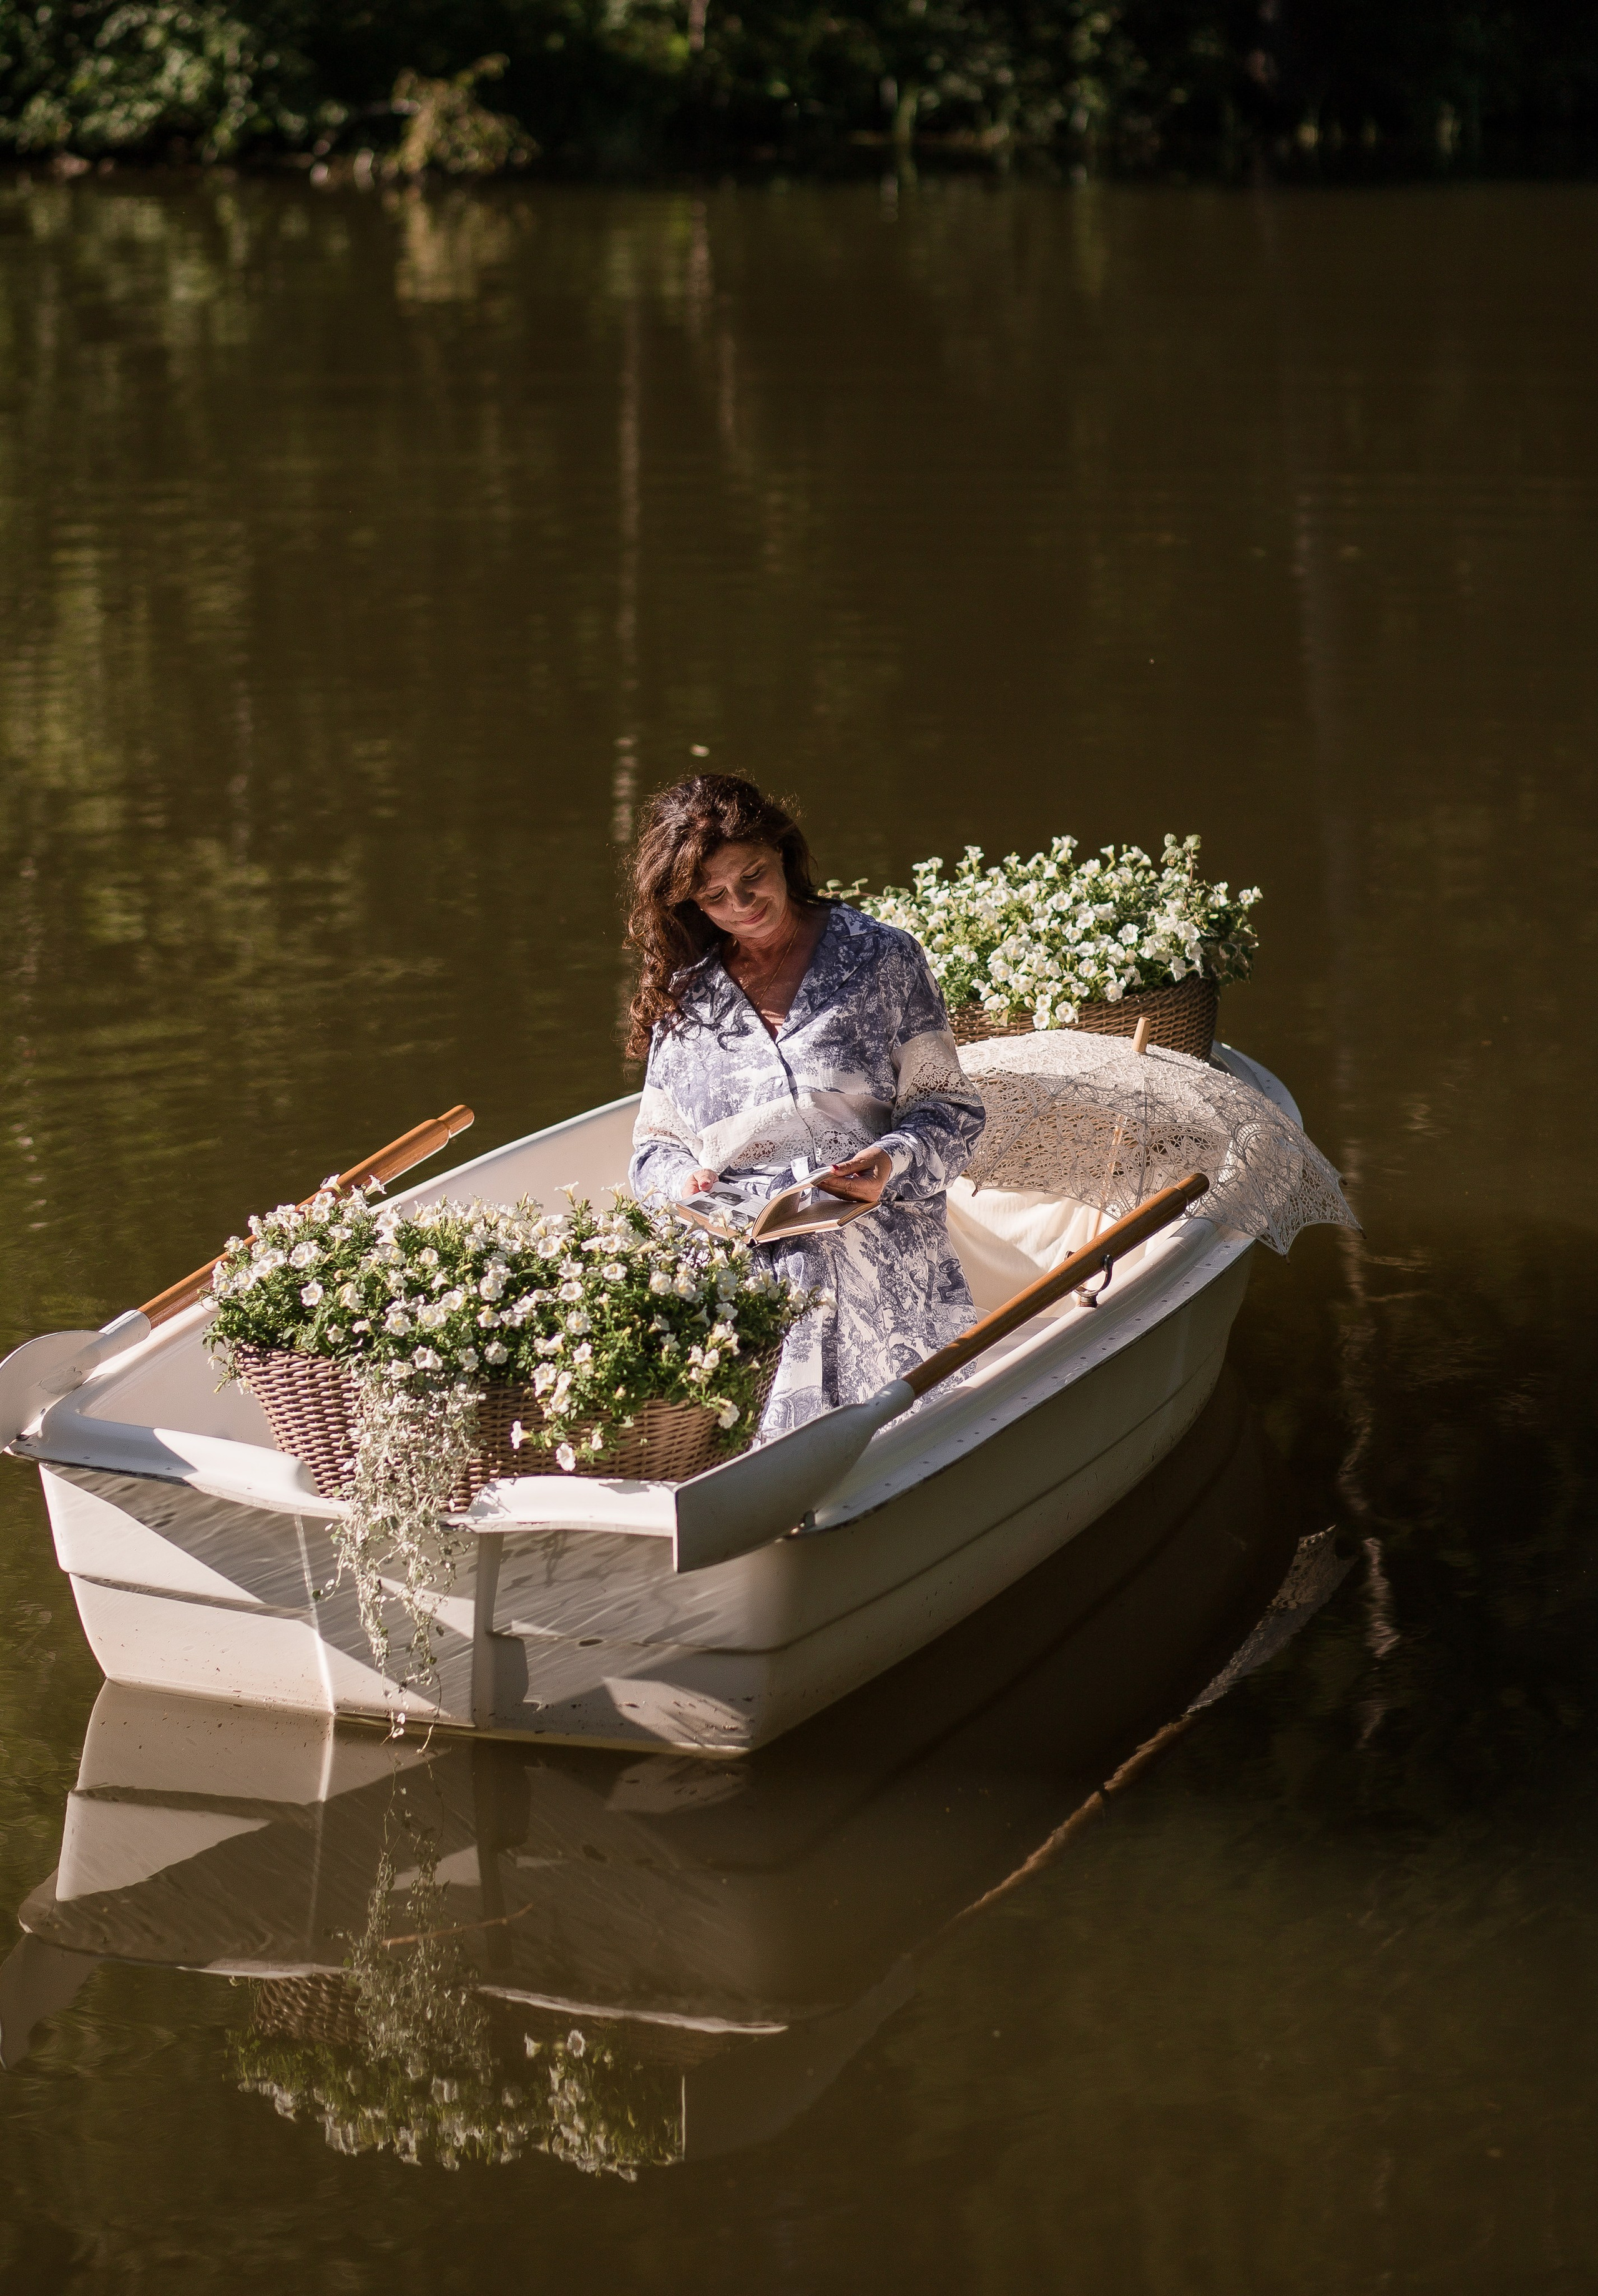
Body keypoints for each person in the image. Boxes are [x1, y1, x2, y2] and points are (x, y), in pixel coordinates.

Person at [625, 773, 985, 1437]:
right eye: (715, 896)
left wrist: (889, 1161)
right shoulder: (688, 998)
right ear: (692, 905)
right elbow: (653, 1152)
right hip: (743, 1267)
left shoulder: (881, 957)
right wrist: (684, 1182)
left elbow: (949, 1109)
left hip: (875, 1245)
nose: (742, 903)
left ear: (783, 854)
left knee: (897, 1439)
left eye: (753, 876)